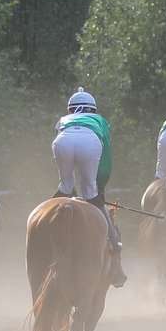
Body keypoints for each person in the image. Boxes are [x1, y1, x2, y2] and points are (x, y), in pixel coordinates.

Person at [52, 87, 126, 287]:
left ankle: (47, 236)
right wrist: (98, 191)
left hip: (62, 141)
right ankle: (114, 243)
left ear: (70, 110)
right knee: (92, 194)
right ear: (93, 110)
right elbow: (106, 161)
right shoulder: (100, 121)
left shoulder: (62, 120)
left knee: (65, 187)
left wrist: (69, 188)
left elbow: (62, 159)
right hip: (89, 142)